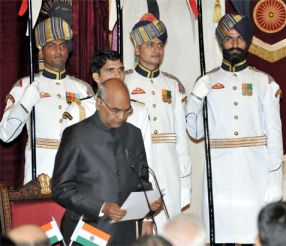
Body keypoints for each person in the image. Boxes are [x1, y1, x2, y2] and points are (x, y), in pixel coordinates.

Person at [186, 13, 283, 245]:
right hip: (220, 175)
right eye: (228, 38)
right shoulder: (207, 81)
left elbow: (275, 135)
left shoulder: (264, 82)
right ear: (221, 42)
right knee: (222, 235)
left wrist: (275, 179)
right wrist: (196, 99)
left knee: (255, 236)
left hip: (255, 173)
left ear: (248, 41)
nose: (234, 44)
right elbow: (196, 132)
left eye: (240, 38)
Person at [52, 79, 162, 244]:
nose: (122, 117)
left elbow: (142, 181)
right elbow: (61, 189)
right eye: (116, 110)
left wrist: (149, 205)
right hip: (87, 231)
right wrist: (102, 207)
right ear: (98, 103)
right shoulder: (76, 135)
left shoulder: (134, 134)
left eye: (127, 111)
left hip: (126, 233)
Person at [0, 17, 93, 183]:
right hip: (40, 173)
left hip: (76, 173)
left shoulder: (83, 88)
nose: (58, 50)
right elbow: (5, 135)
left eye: (62, 45)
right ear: (41, 52)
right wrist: (26, 101)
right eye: (51, 45)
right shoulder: (25, 85)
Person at [126, 13, 191, 229]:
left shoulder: (172, 85)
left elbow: (181, 137)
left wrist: (185, 179)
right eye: (149, 44)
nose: (156, 49)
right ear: (136, 49)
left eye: (160, 44)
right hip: (136, 164)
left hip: (168, 165)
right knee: (138, 229)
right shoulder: (123, 82)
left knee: (168, 226)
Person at [61, 49, 153, 179]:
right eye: (110, 70)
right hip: (91, 188)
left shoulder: (139, 111)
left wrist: (149, 194)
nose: (118, 75)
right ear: (96, 77)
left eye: (120, 70)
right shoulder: (78, 110)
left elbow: (146, 158)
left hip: (128, 188)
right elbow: (68, 161)